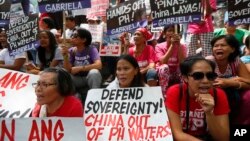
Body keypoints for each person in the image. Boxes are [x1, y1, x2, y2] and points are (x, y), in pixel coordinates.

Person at [166, 55, 230, 141]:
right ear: (185, 78)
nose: (205, 81)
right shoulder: (175, 92)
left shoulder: (219, 95)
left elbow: (223, 138)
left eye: (210, 75)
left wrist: (209, 113)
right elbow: (177, 134)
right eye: (198, 76)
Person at [206, 35, 250, 124]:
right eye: (216, 46)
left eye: (223, 45)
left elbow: (248, 81)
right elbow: (208, 83)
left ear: (232, 49)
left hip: (233, 94)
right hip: (212, 94)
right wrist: (236, 80)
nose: (218, 48)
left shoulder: (236, 61)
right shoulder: (209, 61)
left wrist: (231, 83)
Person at [61, 28, 102, 103]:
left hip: (88, 77)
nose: (72, 37)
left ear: (84, 40)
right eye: (72, 35)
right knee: (64, 74)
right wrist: (65, 57)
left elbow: (99, 65)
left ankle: (95, 100)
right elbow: (68, 70)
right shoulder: (71, 51)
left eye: (76, 36)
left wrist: (80, 68)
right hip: (77, 79)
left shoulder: (91, 49)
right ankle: (74, 98)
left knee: (94, 72)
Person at [155, 25, 187, 96]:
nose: (172, 33)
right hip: (163, 73)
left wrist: (178, 45)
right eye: (170, 31)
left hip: (176, 73)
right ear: (164, 34)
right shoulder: (159, 46)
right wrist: (172, 45)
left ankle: (183, 94)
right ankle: (164, 95)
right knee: (164, 67)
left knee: (183, 68)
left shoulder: (183, 46)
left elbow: (182, 62)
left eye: (175, 31)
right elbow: (163, 62)